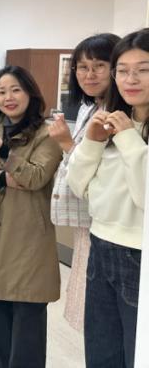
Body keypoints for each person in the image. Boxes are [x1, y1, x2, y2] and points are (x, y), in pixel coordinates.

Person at [0, 65, 62, 368]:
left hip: (27, 239)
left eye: (15, 90)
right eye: (1, 91)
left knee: (26, 316)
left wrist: (5, 152)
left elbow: (35, 177)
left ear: (30, 93)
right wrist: (2, 179)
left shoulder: (47, 134)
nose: (8, 97)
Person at [68, 28, 148, 368]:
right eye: (123, 70)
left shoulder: (127, 132)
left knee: (137, 354)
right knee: (102, 353)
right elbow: (78, 185)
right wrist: (92, 141)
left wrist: (129, 139)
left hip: (139, 253)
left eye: (143, 70)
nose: (131, 79)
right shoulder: (111, 122)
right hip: (100, 246)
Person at [48, 33, 120, 331]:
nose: (89, 74)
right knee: (88, 311)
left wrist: (66, 143)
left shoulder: (118, 116)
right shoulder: (90, 108)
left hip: (105, 227)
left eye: (99, 65)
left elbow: (98, 175)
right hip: (85, 222)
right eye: (82, 67)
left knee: (100, 317)